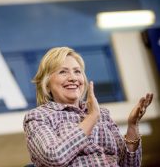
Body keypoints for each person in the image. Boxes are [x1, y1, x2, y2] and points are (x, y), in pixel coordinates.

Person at [23, 47, 153, 167]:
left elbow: (130, 165)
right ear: (46, 84)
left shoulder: (103, 114)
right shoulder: (38, 116)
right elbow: (54, 156)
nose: (73, 78)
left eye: (77, 71)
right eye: (63, 72)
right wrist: (91, 118)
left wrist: (132, 126)